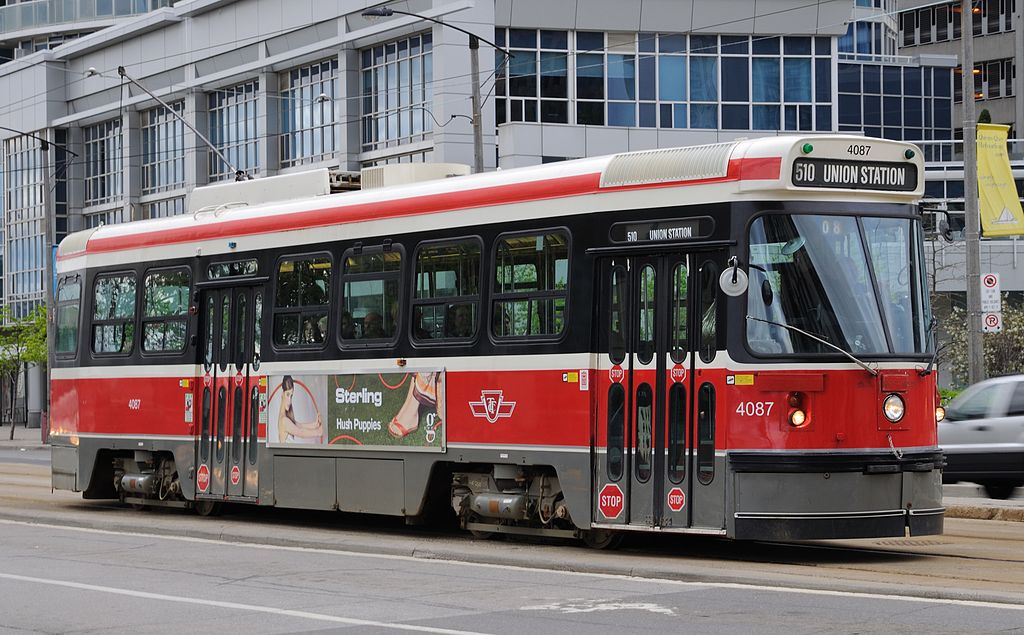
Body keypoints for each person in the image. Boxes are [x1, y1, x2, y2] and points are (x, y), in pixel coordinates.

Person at [277, 375, 323, 443]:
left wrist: (315, 425)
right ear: (282, 394)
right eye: (287, 394)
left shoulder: (285, 418)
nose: (289, 401)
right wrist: (318, 432)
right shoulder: (284, 420)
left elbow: (300, 426)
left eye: (291, 396)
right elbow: (301, 432)